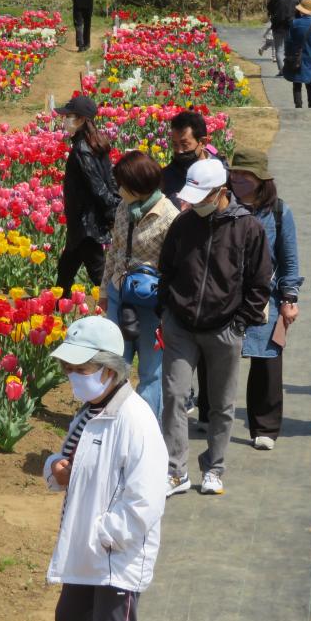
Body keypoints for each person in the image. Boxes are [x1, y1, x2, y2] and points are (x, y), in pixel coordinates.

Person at [44, 316, 168, 621]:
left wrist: (106, 535)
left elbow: (146, 499)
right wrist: (57, 470)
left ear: (108, 370)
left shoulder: (136, 420)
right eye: (67, 369)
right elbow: (73, 461)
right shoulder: (89, 413)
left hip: (116, 560)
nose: (72, 377)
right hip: (84, 554)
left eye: (80, 370)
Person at [158, 158, 272, 496]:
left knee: (222, 405)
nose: (194, 204)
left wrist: (240, 323)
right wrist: (167, 310)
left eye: (201, 197)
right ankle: (175, 471)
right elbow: (167, 269)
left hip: (225, 328)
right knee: (174, 396)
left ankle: (214, 467)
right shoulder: (183, 223)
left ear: (221, 192)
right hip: (180, 325)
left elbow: (260, 281)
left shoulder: (248, 228)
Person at [199, 149, 301, 450]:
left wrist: (290, 297)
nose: (239, 179)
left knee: (266, 361)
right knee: (214, 358)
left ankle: (265, 427)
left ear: (261, 179)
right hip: (222, 294)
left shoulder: (279, 213)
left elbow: (289, 260)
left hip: (264, 296)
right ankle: (209, 414)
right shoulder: (221, 206)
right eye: (236, 174)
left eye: (246, 175)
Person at [100, 151, 179, 422]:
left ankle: (145, 429)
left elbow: (176, 266)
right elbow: (114, 251)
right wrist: (103, 292)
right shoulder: (124, 207)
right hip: (118, 294)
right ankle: (113, 421)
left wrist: (169, 309)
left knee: (151, 371)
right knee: (115, 363)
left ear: (139, 185)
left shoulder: (169, 216)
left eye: (123, 184)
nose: (119, 189)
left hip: (150, 302)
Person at [55, 95, 120, 298]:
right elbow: (111, 181)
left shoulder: (82, 150)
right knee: (66, 269)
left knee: (99, 275)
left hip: (86, 226)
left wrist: (114, 213)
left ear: (82, 120)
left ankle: (119, 309)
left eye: (69, 116)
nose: (64, 120)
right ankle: (57, 306)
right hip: (81, 224)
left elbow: (99, 187)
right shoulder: (95, 143)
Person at [161, 110, 229, 208]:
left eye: (185, 144)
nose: (179, 151)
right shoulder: (166, 177)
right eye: (175, 144)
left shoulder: (222, 172)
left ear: (203, 142)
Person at [284, 0, 311, 109]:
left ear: (301, 10)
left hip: (296, 58)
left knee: (296, 84)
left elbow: (288, 42)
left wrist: (288, 56)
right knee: (310, 83)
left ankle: (298, 107)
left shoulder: (294, 23)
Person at [267, 0, 300, 76]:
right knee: (290, 49)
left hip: (277, 26)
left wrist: (273, 15)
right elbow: (298, 12)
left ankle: (282, 70)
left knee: (279, 49)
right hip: (291, 26)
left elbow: (269, 8)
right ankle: (290, 69)